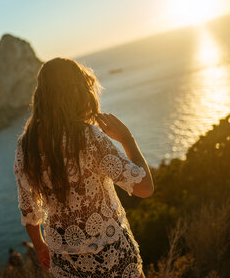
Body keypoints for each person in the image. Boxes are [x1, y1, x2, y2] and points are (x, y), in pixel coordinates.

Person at [13, 58, 154, 278]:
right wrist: (127, 139)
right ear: (77, 92)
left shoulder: (25, 145)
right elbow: (144, 187)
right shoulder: (87, 137)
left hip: (66, 266)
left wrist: (40, 246)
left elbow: (29, 210)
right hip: (114, 259)